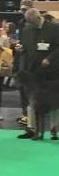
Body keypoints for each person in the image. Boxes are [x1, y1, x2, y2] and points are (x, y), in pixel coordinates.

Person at [18, 8, 59, 139]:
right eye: (28, 22)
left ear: (37, 18)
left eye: (31, 22)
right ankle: (32, 130)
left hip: (51, 72)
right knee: (32, 102)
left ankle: (54, 130)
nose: (30, 24)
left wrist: (49, 59)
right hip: (33, 72)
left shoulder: (54, 28)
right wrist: (20, 49)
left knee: (54, 103)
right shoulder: (26, 30)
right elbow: (25, 48)